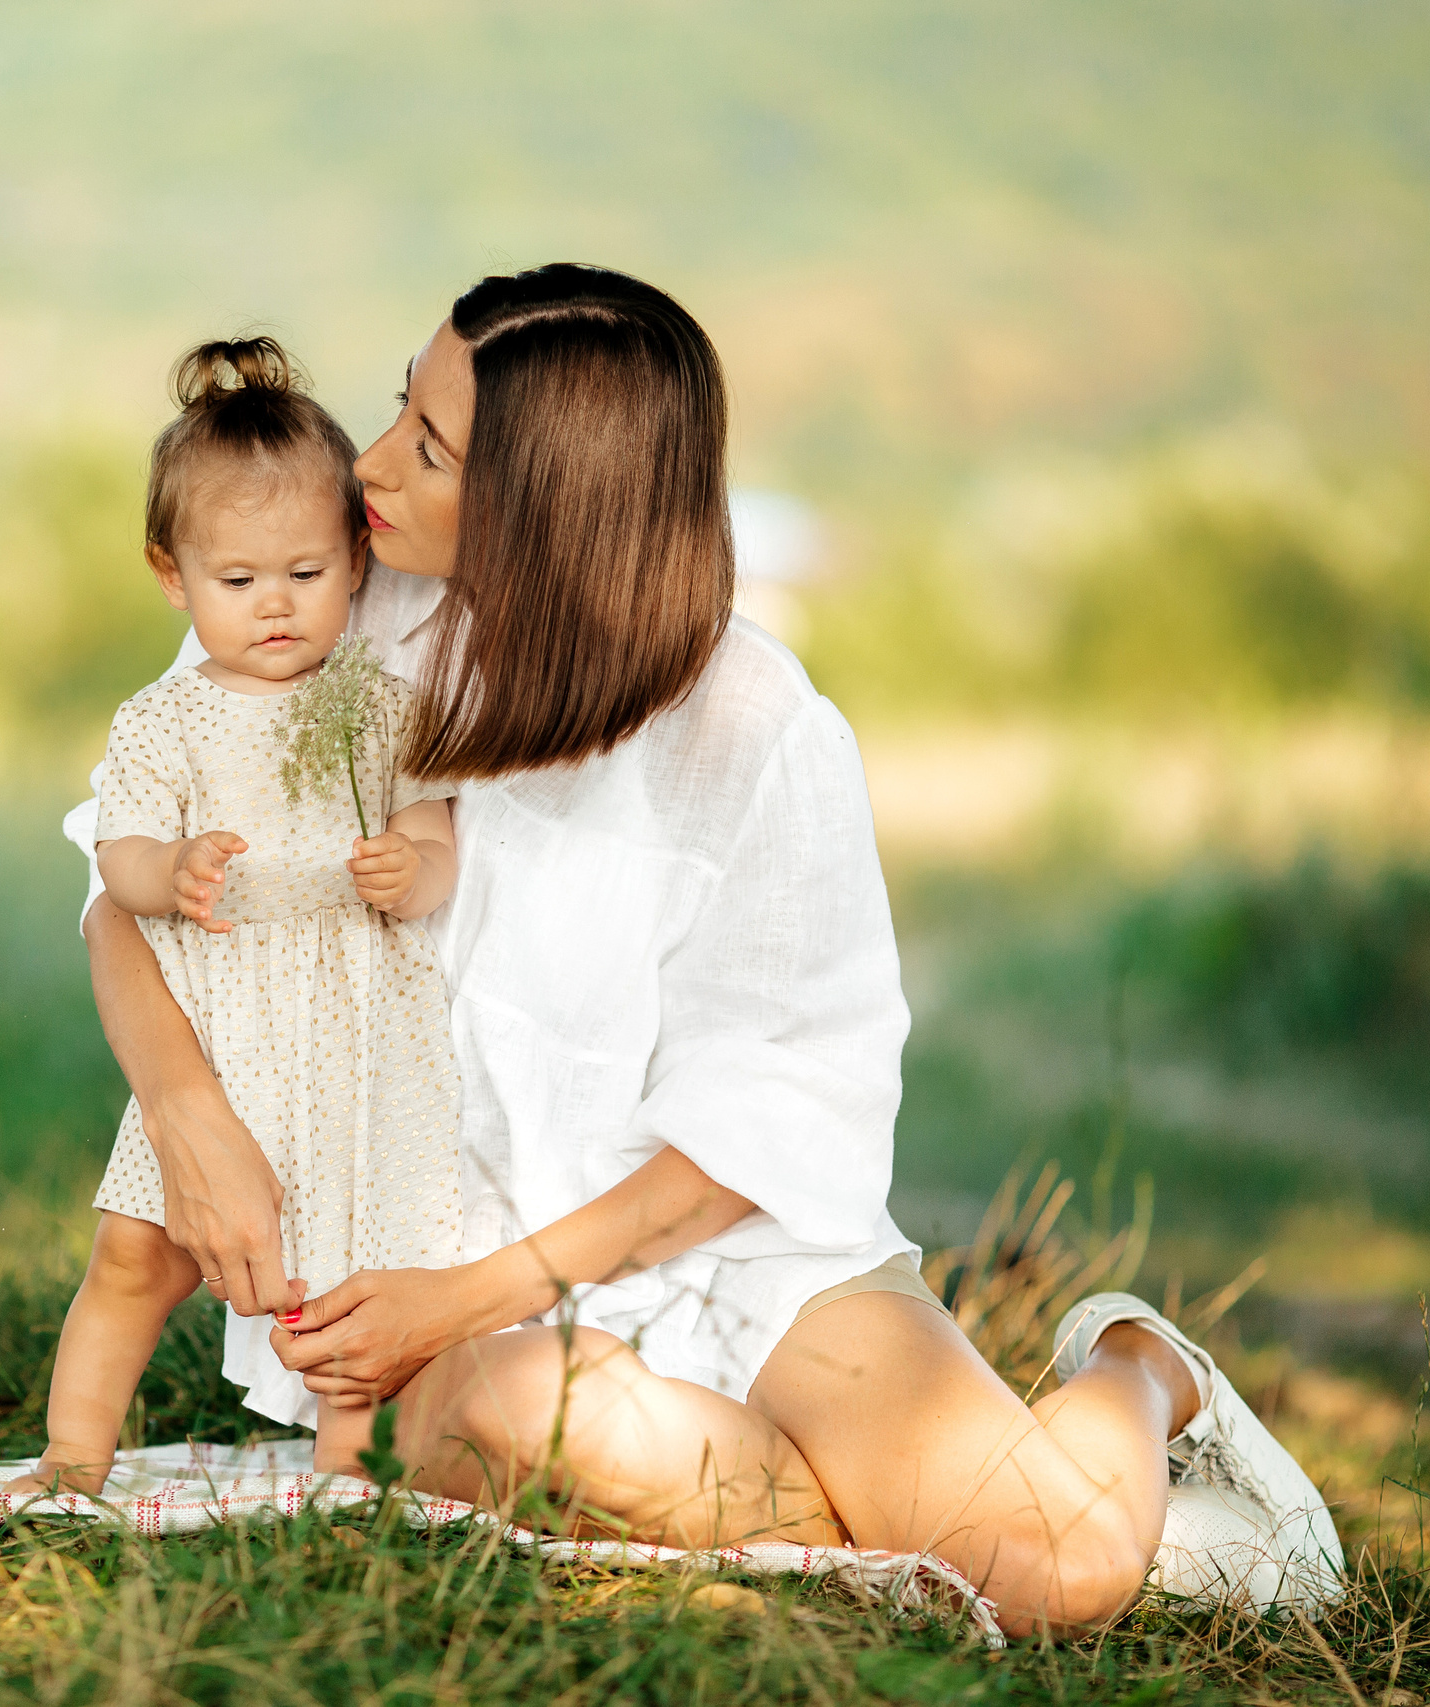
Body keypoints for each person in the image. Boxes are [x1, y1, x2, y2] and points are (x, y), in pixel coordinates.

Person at [68, 265, 1341, 1634]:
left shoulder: (759, 734)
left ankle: (1143, 1366)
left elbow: (762, 1129)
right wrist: (195, 1124)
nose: (368, 467)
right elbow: (117, 887)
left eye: (429, 450)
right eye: (400, 410)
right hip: (471, 1303)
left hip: (739, 1259)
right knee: (487, 1416)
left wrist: (469, 1294)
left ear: (552, 512)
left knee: (1064, 1569)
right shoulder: (337, 619)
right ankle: (904, 1511)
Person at [10, 337, 467, 1496]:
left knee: (352, 1274)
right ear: (174, 577)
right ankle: (72, 1460)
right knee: (132, 1254)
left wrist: (410, 871)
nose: (275, 605)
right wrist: (174, 872)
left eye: (306, 575)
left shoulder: (380, 700)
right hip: (221, 1024)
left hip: (354, 1032)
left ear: (355, 567)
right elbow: (113, 861)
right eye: (239, 581)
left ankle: (347, 1480)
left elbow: (433, 825)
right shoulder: (162, 718)